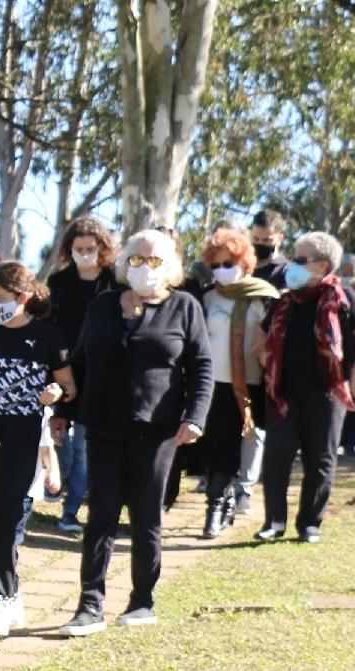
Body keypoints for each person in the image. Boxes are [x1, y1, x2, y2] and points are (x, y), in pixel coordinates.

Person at [59, 228, 214, 636]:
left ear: (172, 267)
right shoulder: (103, 305)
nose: (145, 267)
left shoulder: (184, 307)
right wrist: (62, 407)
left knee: (147, 516)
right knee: (101, 515)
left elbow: (201, 366)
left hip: (158, 430)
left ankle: (142, 600)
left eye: (155, 260)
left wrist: (194, 416)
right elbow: (80, 359)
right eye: (138, 259)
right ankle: (89, 605)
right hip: (103, 425)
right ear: (126, 262)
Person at [0, 261, 74, 638]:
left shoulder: (47, 337)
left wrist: (56, 394)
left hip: (26, 435)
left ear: (23, 298)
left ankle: (0, 599)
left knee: (7, 515)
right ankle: (7, 594)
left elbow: (68, 386)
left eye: (1, 298)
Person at [255, 231, 355, 543]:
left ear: (322, 265)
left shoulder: (342, 297)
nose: (291, 266)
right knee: (276, 457)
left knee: (320, 459)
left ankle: (310, 524)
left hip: (327, 392)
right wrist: (265, 361)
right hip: (283, 392)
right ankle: (274, 522)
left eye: (299, 260)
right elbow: (261, 337)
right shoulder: (285, 300)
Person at [194, 228, 278, 538]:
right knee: (216, 448)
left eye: (228, 263)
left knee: (239, 447)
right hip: (212, 384)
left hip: (250, 386)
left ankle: (225, 500)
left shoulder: (265, 298)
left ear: (244, 262)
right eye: (215, 265)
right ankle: (219, 501)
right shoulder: (205, 297)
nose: (221, 271)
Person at [45, 217, 122, 535]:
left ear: (103, 248)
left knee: (84, 446)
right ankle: (57, 488)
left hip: (100, 371)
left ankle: (72, 509)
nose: (85, 254)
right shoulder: (59, 282)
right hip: (63, 368)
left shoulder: (114, 282)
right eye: (79, 249)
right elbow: (49, 324)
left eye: (91, 248)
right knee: (60, 438)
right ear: (69, 249)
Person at [250, 210, 290, 287]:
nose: (260, 243)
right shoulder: (240, 265)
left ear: (280, 239)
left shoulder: (286, 271)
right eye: (256, 239)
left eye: (266, 240)